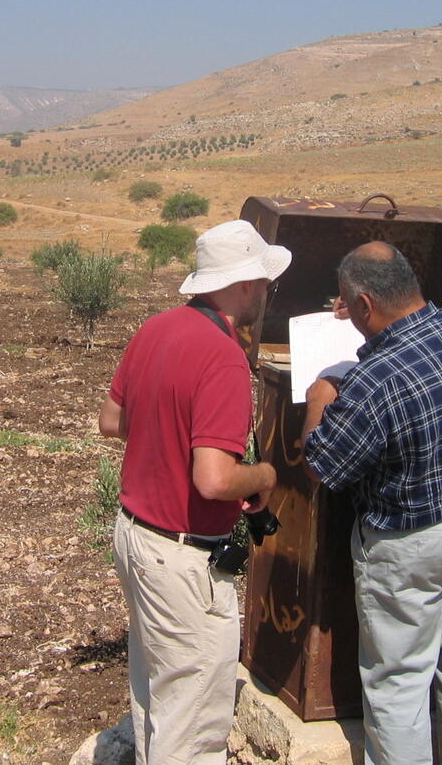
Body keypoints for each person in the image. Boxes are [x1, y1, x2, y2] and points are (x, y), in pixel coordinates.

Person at [300, 241, 442, 765]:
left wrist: (319, 399)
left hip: (409, 544)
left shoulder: (374, 382)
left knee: (399, 684)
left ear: (364, 306)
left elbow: (323, 464)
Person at [98, 218, 290, 765]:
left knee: (157, 696)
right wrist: (265, 476)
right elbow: (215, 479)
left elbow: (112, 420)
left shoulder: (155, 329)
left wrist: (169, 434)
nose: (266, 294)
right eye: (264, 283)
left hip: (134, 537)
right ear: (247, 283)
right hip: (183, 560)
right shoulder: (225, 357)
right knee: (193, 722)